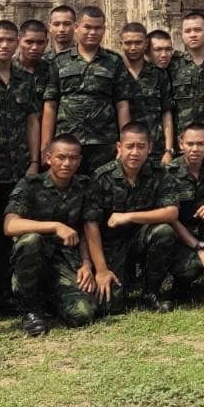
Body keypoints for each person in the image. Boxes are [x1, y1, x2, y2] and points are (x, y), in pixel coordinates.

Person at [0, 19, 41, 321]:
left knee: (9, 232)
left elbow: (32, 120)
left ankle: (4, 294)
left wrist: (33, 161)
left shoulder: (25, 80)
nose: (4, 45)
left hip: (18, 169)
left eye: (10, 40)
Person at [3, 133, 98, 336]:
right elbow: (10, 225)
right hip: (33, 258)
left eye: (73, 158)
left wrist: (86, 264)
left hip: (65, 258)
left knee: (82, 315)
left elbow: (85, 228)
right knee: (31, 240)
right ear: (48, 158)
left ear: (79, 160)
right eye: (61, 157)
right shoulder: (30, 184)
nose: (67, 163)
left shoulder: (84, 186)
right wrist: (54, 226)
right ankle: (30, 310)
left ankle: (52, 298)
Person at [83, 124, 178, 313]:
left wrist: (129, 216)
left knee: (164, 231)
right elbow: (90, 224)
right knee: (109, 307)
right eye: (129, 146)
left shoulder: (159, 173)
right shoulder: (102, 176)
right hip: (111, 245)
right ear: (119, 147)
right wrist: (101, 270)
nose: (135, 152)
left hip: (141, 238)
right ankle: (125, 282)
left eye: (141, 147)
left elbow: (171, 212)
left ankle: (150, 292)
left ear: (149, 148)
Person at [41, 5, 136, 176]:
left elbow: (122, 104)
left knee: (103, 191)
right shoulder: (58, 61)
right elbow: (51, 105)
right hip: (67, 142)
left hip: (104, 142)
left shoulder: (114, 61)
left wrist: (125, 143)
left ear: (104, 30)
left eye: (97, 28)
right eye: (87, 27)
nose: (92, 32)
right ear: (77, 28)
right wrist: (46, 145)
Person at [160, 123, 204, 303]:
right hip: (181, 236)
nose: (195, 149)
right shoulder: (169, 172)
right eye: (190, 144)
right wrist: (199, 247)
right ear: (181, 144)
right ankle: (181, 284)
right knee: (190, 268)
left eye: (200, 144)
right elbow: (171, 218)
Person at [120, 21, 173, 157]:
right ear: (121, 43)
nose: (133, 47)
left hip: (156, 148)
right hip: (127, 149)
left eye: (138, 42)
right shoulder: (115, 72)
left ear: (146, 43)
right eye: (128, 43)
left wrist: (168, 150)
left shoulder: (158, 74)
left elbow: (166, 113)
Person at [168, 12, 204, 148]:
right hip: (184, 143)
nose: (192, 34)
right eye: (187, 31)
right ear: (181, 35)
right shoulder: (173, 65)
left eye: (198, 30)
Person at [16, 19, 51, 84]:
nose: (35, 47)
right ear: (18, 41)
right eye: (29, 42)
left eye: (40, 43)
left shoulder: (52, 70)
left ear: (46, 43)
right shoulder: (6, 69)